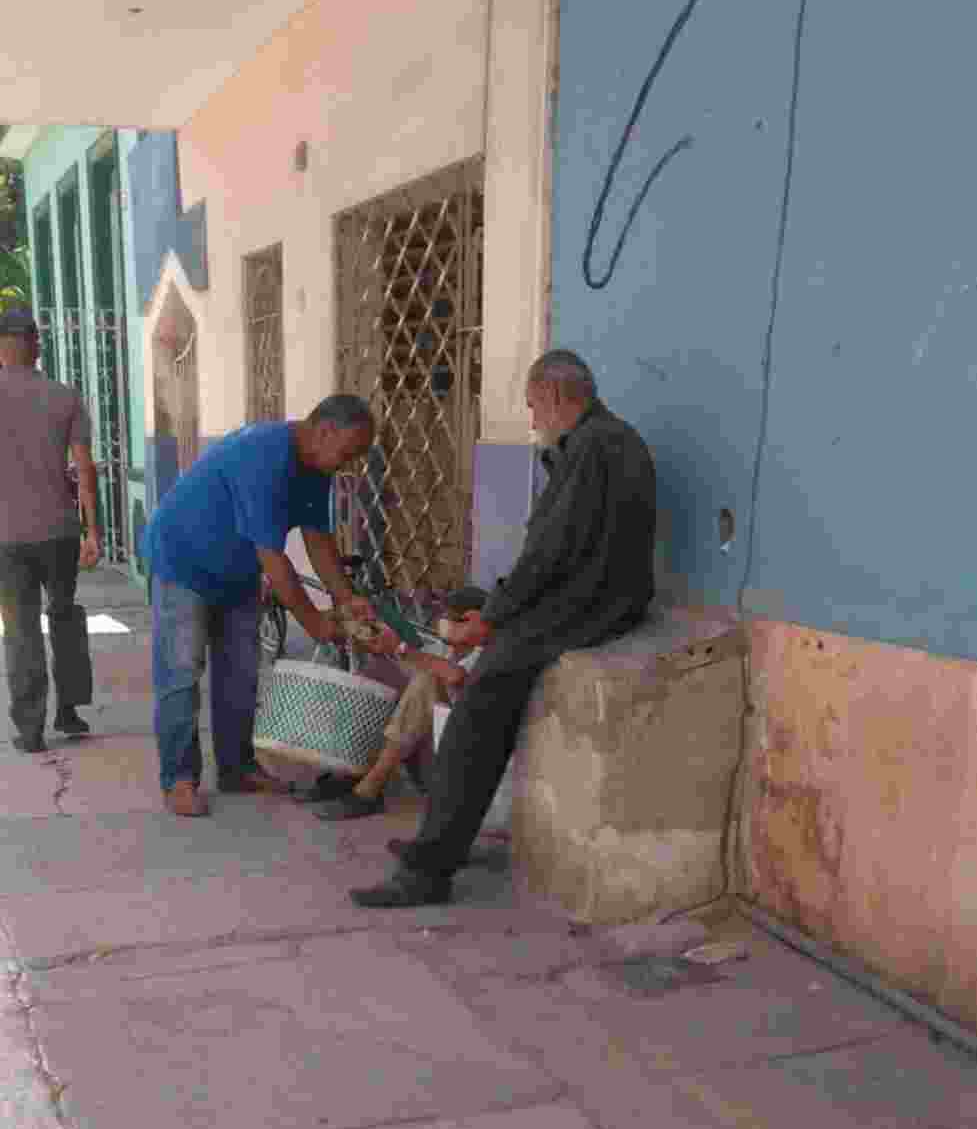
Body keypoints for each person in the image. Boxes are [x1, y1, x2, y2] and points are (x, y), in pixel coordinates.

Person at [351, 349, 658, 908]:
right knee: (478, 659)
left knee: (478, 703)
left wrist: (492, 620)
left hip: (587, 606)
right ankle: (443, 841)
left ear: (558, 397)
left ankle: (432, 865)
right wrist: (495, 613)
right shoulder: (607, 442)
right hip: (590, 599)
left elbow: (551, 551)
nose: (533, 420)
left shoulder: (594, 445)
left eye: (534, 407)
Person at [144, 394, 381, 816]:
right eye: (349, 452)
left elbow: (317, 538)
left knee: (239, 673)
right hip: (182, 564)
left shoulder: (315, 467)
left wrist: (348, 598)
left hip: (235, 573)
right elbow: (274, 560)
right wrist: (313, 622)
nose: (349, 464)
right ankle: (179, 778)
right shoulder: (264, 457)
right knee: (181, 674)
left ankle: (236, 769)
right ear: (324, 431)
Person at [0, 303, 101, 753]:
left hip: (6, 538)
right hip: (59, 531)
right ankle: (70, 711)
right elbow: (85, 469)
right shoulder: (65, 395)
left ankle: (30, 728)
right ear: (36, 346)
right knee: (63, 615)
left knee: (20, 627)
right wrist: (92, 532)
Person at [312, 587, 490, 821]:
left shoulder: (486, 656)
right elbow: (408, 664)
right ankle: (353, 771)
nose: (444, 620)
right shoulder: (442, 650)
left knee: (427, 680)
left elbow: (456, 677)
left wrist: (400, 649)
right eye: (444, 614)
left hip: (456, 771)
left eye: (453, 616)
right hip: (426, 760)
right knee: (384, 671)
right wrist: (374, 642)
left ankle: (370, 790)